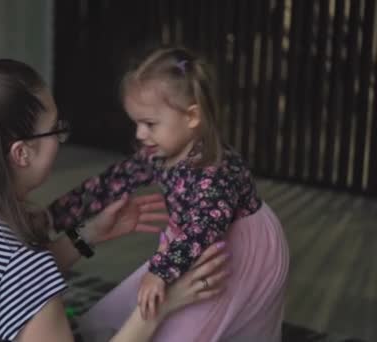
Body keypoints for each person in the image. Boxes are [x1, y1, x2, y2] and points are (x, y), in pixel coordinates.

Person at [0, 48, 230, 342]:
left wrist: (87, 235)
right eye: (55, 130)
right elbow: (16, 282)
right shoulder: (19, 267)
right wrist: (159, 308)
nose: (61, 137)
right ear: (22, 154)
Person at [48, 46, 290, 341]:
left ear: (191, 117)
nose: (139, 134)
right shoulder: (159, 151)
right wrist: (53, 216)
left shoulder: (215, 172)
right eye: (136, 122)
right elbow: (111, 182)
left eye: (149, 124)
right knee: (127, 312)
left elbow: (204, 228)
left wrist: (161, 271)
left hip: (231, 244)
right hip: (185, 246)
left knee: (194, 320)